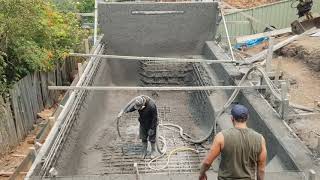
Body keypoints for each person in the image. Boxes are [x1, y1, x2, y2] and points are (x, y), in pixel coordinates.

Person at [199, 104, 267, 180]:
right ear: (247, 118)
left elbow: (207, 162)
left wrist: (202, 174)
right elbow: (261, 169)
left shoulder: (221, 137)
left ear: (232, 118)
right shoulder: (260, 139)